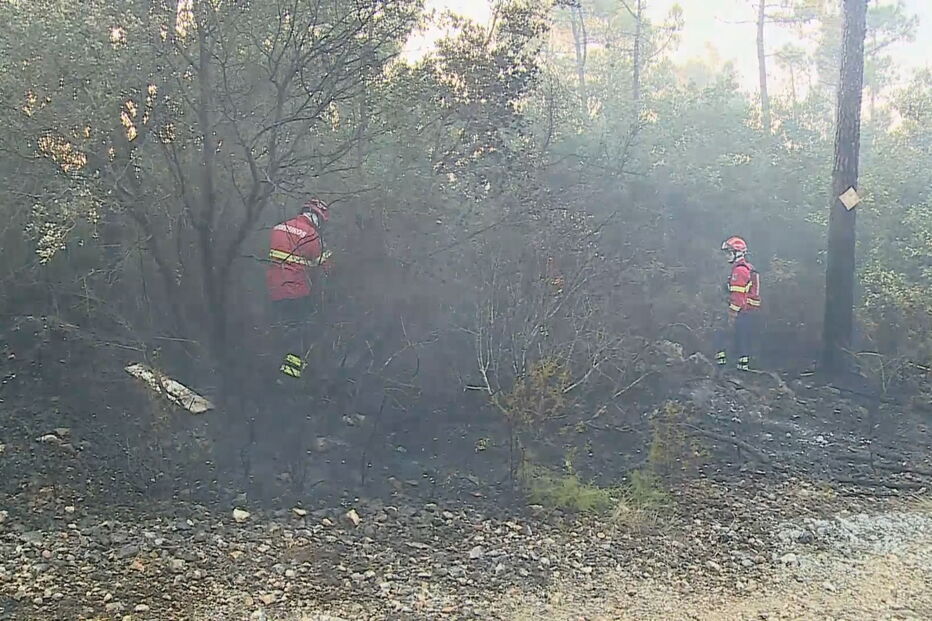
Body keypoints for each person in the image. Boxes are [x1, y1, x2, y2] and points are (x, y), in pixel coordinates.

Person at [266, 198, 332, 379]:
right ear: (317, 217)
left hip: (274, 289)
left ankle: (273, 367)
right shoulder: (311, 235)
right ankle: (290, 377)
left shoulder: (278, 228)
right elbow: (325, 266)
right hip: (296, 291)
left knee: (282, 329)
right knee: (298, 332)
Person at [715, 236, 761, 372]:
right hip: (747, 311)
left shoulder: (739, 271)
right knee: (741, 339)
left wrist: (732, 313)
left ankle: (722, 366)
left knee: (722, 335)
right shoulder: (746, 268)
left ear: (738, 253)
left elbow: (738, 297)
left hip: (741, 311)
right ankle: (740, 368)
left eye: (729, 253)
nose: (726, 257)